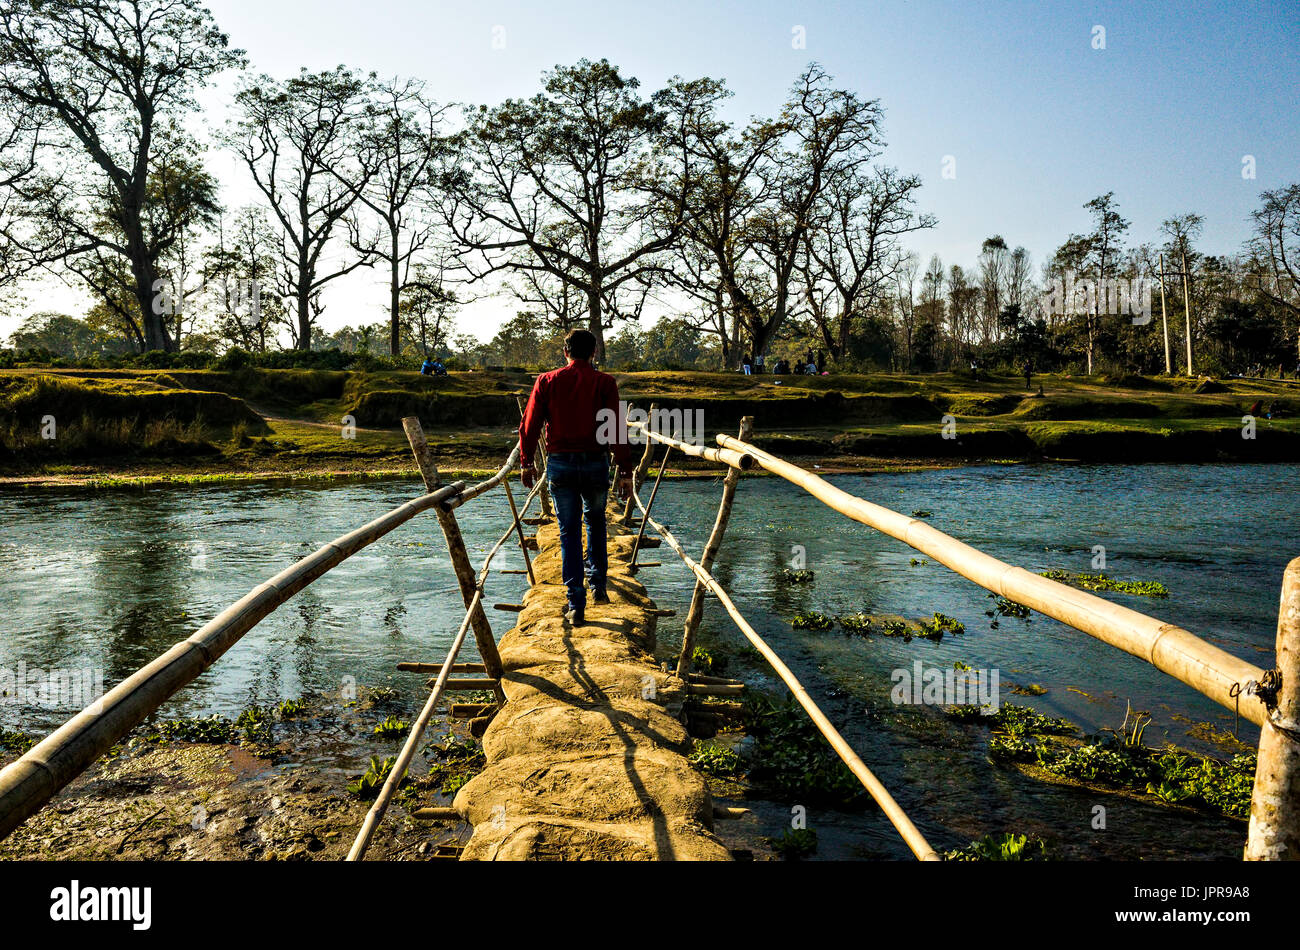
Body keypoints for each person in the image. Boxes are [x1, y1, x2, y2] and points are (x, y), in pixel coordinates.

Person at [519, 329, 633, 626]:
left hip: (561, 464)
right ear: (594, 353)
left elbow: (530, 424)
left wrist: (526, 462)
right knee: (596, 521)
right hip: (596, 463)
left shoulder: (547, 381)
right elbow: (616, 428)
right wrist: (625, 471)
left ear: (565, 352)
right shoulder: (605, 383)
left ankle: (575, 602)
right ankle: (598, 586)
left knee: (568, 530)